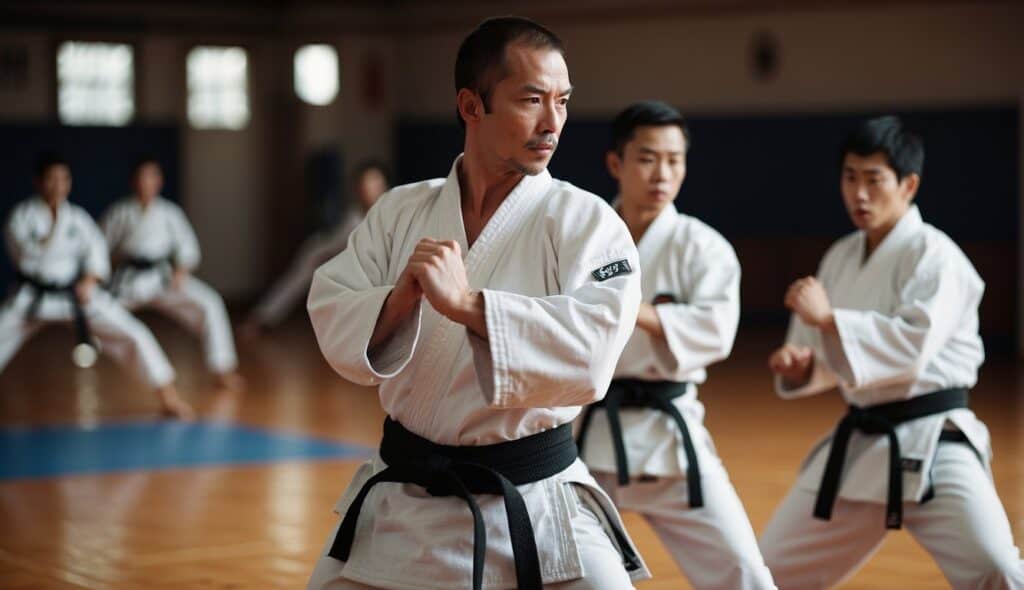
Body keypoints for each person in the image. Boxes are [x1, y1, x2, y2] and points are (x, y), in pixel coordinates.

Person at [306, 16, 651, 590]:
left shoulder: (587, 223)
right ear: (472, 106)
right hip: (406, 499)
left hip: (537, 501)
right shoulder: (400, 212)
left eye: (563, 102)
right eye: (531, 100)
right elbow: (334, 305)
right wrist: (402, 300)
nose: (553, 123)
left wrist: (468, 305)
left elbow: (592, 355)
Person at [760, 115, 1024, 589]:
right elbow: (834, 361)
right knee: (768, 572)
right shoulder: (841, 255)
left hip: (935, 441)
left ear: (908, 185)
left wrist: (828, 320)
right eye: (850, 177)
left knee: (997, 569)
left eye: (874, 180)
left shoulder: (937, 256)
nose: (859, 194)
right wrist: (803, 366)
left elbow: (910, 349)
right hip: (862, 446)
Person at [576, 100, 776, 589]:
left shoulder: (703, 247)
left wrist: (636, 311)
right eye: (647, 158)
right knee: (564, 572)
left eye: (674, 159)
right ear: (615, 164)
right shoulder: (580, 238)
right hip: (588, 439)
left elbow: (716, 330)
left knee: (743, 571)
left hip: (671, 439)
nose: (662, 173)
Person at [0, 153, 192, 418]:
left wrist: (88, 281)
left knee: (133, 333)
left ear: (69, 182)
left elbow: (97, 254)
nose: (57, 185)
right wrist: (52, 227)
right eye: (50, 179)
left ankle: (168, 397)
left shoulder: (78, 218)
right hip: (32, 296)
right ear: (38, 182)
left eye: (63, 179)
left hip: (74, 296)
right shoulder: (21, 216)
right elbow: (24, 255)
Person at [102, 158, 243, 390]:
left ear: (159, 181)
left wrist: (181, 269)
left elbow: (188, 247)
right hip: (129, 281)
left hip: (163, 277)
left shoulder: (170, 213)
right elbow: (99, 249)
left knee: (210, 302)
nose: (147, 182)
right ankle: (118, 365)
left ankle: (222, 369)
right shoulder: (120, 212)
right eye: (142, 177)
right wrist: (113, 264)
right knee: (100, 314)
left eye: (152, 177)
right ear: (133, 181)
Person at [242, 160, 390, 333]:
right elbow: (336, 245)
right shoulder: (353, 216)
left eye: (374, 182)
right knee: (296, 280)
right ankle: (261, 318)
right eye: (364, 183)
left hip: (353, 263)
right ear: (357, 188)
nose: (368, 188)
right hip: (323, 251)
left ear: (383, 186)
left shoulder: (389, 213)